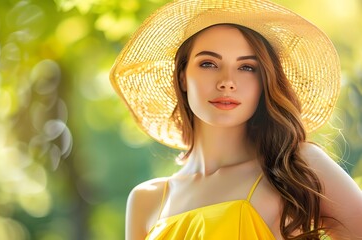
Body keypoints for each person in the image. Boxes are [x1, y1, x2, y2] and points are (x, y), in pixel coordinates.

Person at [109, 0, 362, 239]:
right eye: (208, 64)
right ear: (183, 76)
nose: (227, 82)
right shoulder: (146, 200)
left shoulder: (293, 167)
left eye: (247, 67)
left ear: (264, 82)